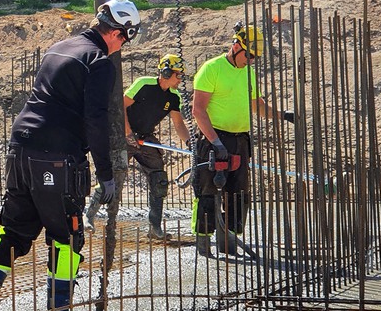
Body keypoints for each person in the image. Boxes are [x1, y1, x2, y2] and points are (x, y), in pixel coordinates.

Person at [0, 0, 140, 311]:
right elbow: (96, 120)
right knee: (67, 237)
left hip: (21, 146)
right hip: (56, 157)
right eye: (125, 38)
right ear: (120, 32)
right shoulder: (100, 62)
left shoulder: (60, 47)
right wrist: (105, 173)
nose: (123, 45)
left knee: (13, 232)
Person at [190, 23, 293, 256]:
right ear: (236, 46)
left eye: (255, 57)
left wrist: (283, 115)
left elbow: (257, 105)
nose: (251, 60)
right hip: (213, 139)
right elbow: (198, 110)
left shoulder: (249, 73)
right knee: (207, 191)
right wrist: (215, 142)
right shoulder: (212, 69)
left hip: (240, 141)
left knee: (239, 194)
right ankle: (204, 245)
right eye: (249, 55)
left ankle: (228, 244)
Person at [84, 54, 192, 239]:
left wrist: (191, 144)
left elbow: (179, 124)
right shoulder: (143, 84)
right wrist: (127, 133)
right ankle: (88, 216)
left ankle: (154, 227)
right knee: (112, 176)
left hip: (145, 139)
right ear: (166, 72)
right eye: (178, 75)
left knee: (159, 179)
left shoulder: (174, 97)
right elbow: (120, 106)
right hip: (122, 136)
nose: (180, 79)